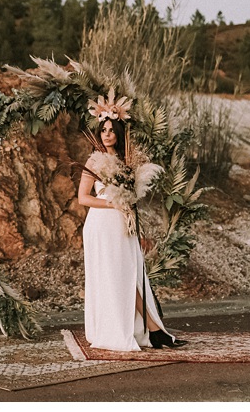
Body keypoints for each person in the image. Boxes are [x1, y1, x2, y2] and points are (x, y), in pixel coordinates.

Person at [77, 115, 187, 352]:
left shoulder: (127, 161)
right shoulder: (94, 161)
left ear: (118, 134)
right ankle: (140, 330)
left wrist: (127, 205)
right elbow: (83, 198)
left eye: (111, 130)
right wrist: (112, 203)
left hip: (123, 223)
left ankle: (152, 330)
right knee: (114, 276)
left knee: (131, 274)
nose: (107, 134)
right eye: (103, 130)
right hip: (102, 223)